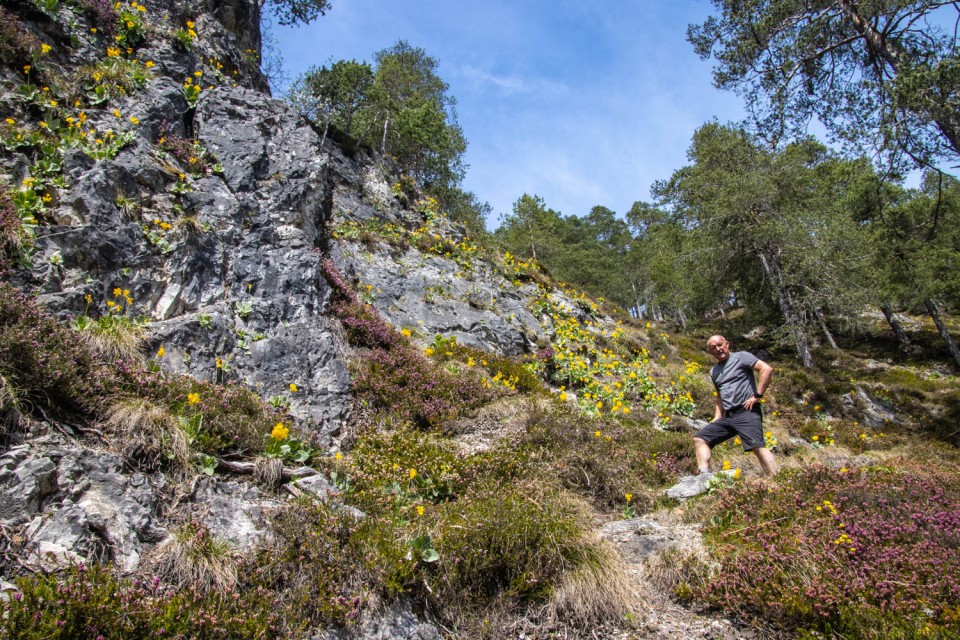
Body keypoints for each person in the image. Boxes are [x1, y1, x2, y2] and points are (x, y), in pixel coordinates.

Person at [693, 335, 777, 477]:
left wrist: (757, 395)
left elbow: (766, 369)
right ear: (710, 352)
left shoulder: (741, 357)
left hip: (747, 411)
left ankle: (776, 478)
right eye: (713, 348)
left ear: (727, 344)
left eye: (720, 345)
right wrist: (717, 417)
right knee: (700, 439)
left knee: (757, 446)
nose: (718, 349)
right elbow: (719, 395)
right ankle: (703, 475)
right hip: (728, 416)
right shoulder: (714, 371)